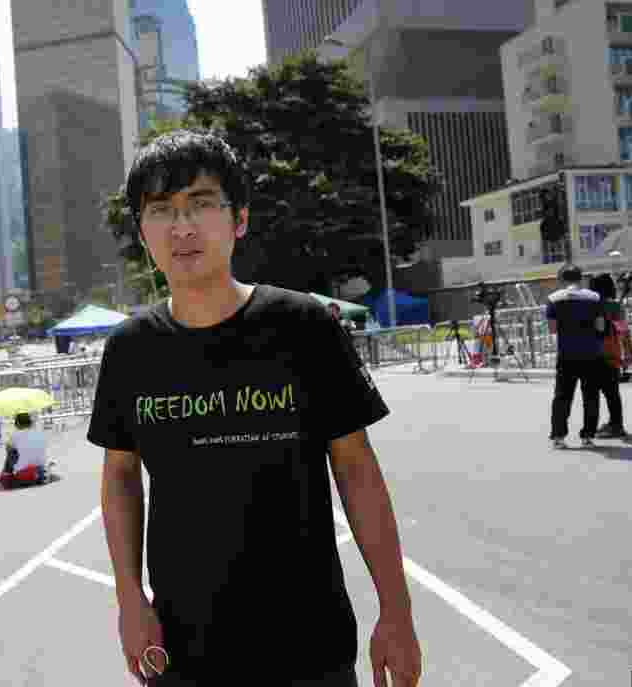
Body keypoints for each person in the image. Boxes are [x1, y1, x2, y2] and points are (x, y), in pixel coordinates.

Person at [88, 130, 421, 686]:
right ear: (143, 233)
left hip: (309, 644)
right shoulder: (131, 348)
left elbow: (357, 469)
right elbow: (120, 477)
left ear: (239, 218)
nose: (183, 227)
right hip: (183, 647)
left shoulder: (304, 326)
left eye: (201, 204)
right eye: (162, 210)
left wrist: (397, 609)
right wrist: (130, 600)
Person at [546, 264, 607, 449]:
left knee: (562, 396)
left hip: (567, 354)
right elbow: (601, 326)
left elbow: (553, 328)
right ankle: (588, 436)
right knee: (591, 396)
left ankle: (558, 437)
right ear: (581, 278)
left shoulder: (553, 299)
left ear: (562, 279)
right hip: (591, 354)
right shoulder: (595, 297)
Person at [588, 273, 630, 438]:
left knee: (595, 392)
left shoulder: (592, 306)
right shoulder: (616, 306)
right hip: (614, 350)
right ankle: (616, 423)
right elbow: (622, 329)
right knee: (612, 391)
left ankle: (612, 425)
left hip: (598, 351)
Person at [0, 412, 49, 488]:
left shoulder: (15, 435)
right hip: (41, 467)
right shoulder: (39, 432)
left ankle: (7, 474)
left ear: (17, 424)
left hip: (23, 473)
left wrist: (9, 444)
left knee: (11, 451)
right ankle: (39, 473)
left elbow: (9, 450)